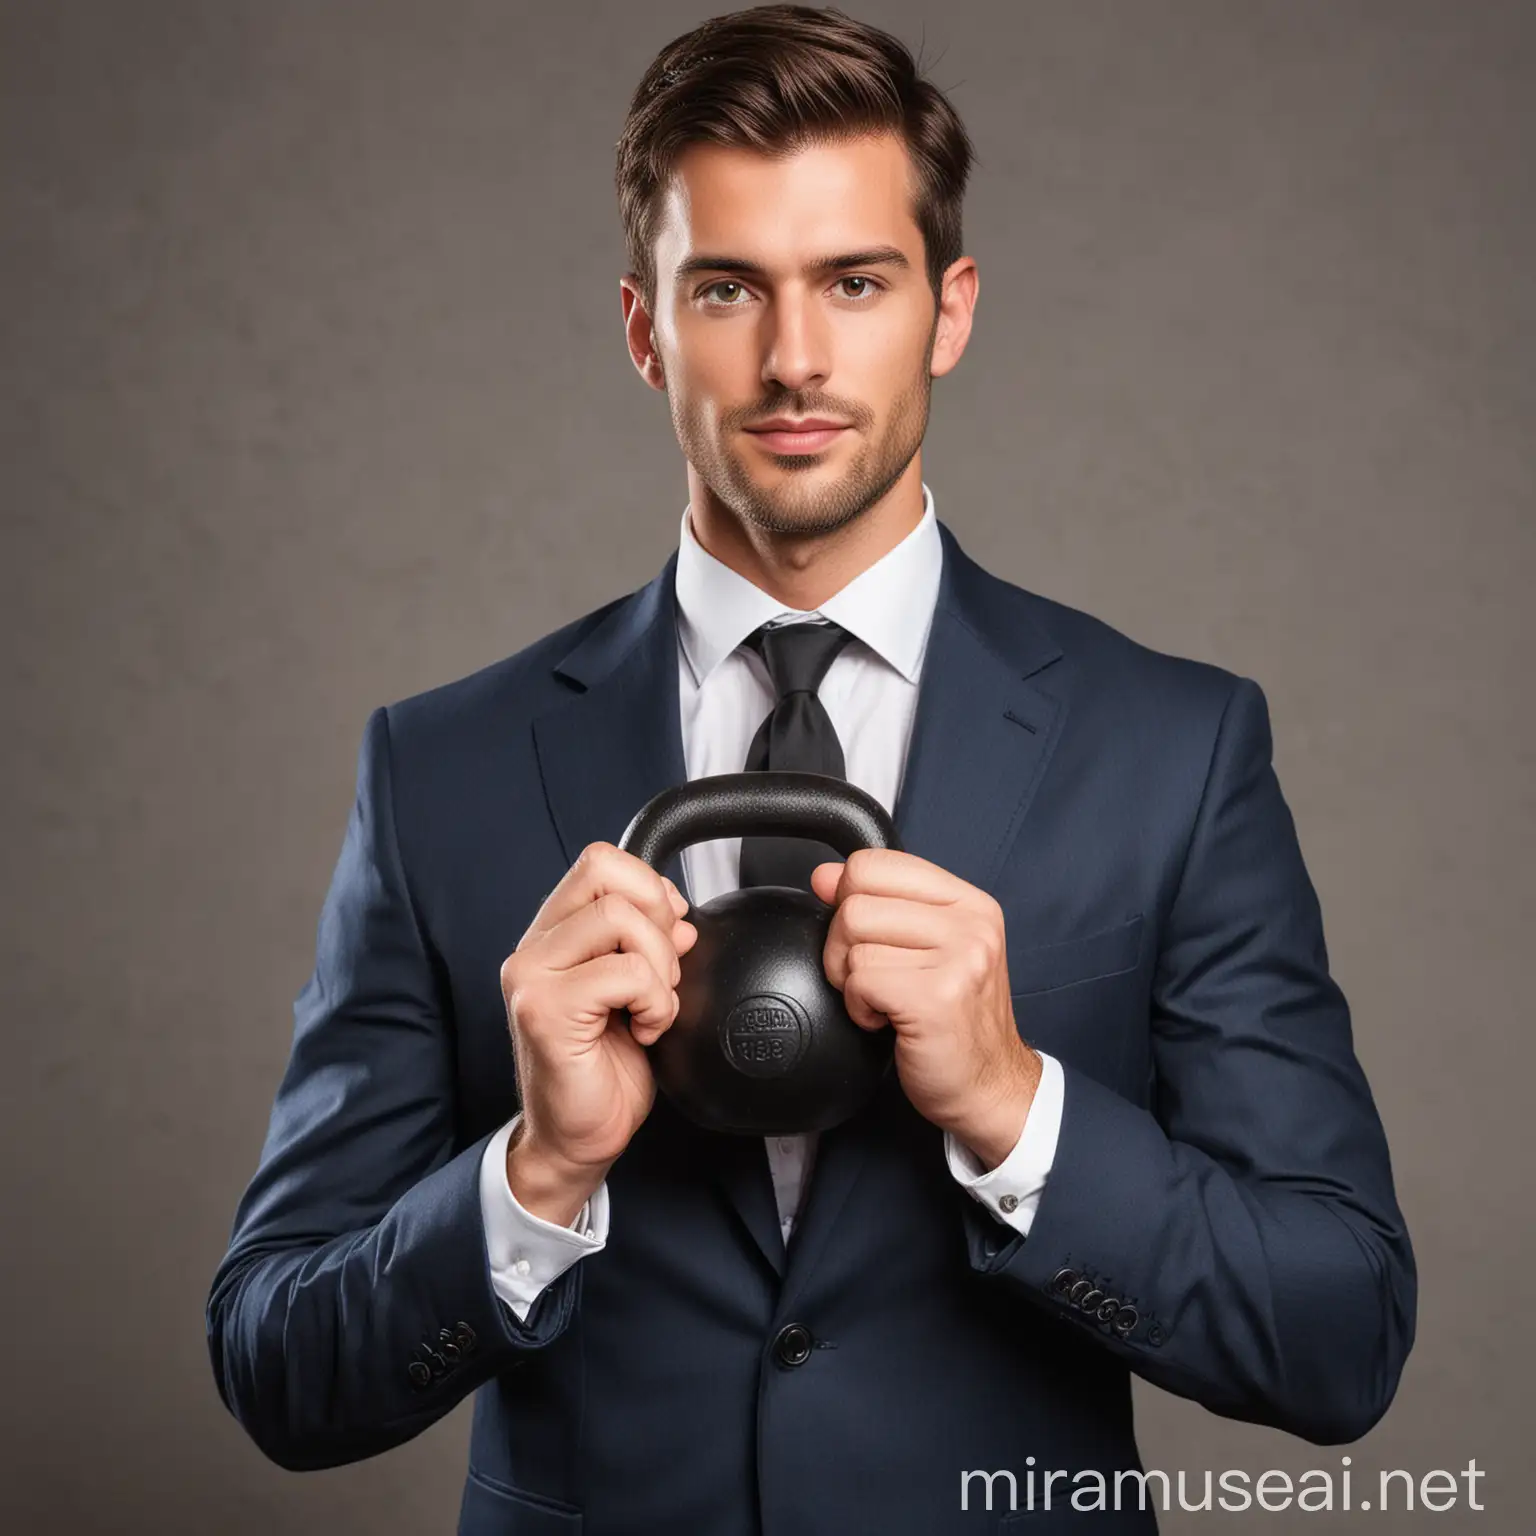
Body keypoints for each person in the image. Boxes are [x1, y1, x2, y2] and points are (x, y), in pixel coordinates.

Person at [205, 6, 1415, 1532]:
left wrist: (1015, 1110)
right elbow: (276, 1366)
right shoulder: (440, 769)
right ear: (645, 327)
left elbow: (1343, 1332)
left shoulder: (1174, 749)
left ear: (949, 311)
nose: (793, 360)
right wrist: (535, 1175)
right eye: (727, 289)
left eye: (855, 281)